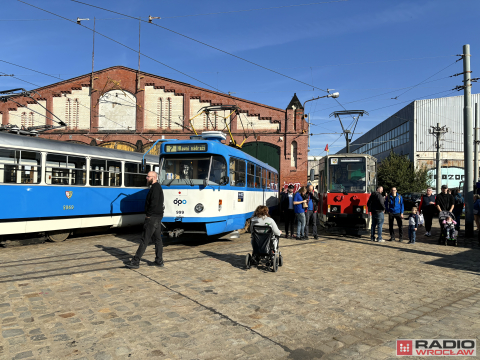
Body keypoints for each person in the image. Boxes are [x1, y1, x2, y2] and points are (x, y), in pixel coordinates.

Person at [126, 171, 164, 269]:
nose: (146, 178)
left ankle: (135, 261)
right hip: (157, 217)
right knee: (158, 240)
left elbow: (154, 203)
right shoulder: (157, 187)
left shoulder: (155, 188)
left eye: (148, 176)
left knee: (144, 240)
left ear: (154, 177)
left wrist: (149, 215)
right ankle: (159, 260)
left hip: (152, 218)